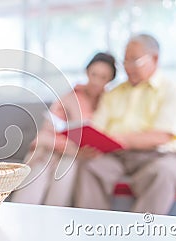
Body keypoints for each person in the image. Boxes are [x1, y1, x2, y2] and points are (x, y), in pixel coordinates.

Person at [74, 34, 176, 215]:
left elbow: (162, 135)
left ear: (155, 58)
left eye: (134, 61)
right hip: (117, 156)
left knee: (165, 172)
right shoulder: (114, 93)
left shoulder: (172, 91)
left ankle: (139, 233)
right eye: (125, 62)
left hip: (159, 156)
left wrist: (122, 139)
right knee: (90, 166)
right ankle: (91, 229)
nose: (128, 68)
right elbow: (97, 128)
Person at [11, 52, 117, 206]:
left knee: (67, 166)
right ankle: (22, 214)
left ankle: (52, 217)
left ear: (109, 79)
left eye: (103, 77)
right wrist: (70, 149)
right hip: (56, 149)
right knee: (46, 162)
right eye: (94, 74)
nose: (96, 81)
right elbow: (48, 132)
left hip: (82, 156)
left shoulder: (109, 102)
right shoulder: (69, 98)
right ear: (87, 72)